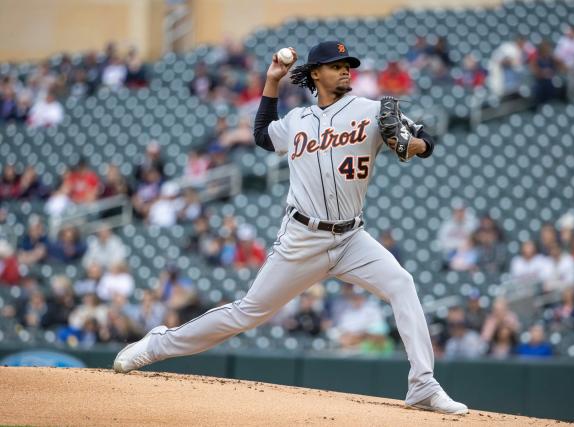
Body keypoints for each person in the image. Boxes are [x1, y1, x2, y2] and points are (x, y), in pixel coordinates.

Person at [113, 41, 467, 415]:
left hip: (351, 238)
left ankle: (423, 386)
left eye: (348, 64)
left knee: (402, 283)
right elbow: (263, 135)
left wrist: (414, 146)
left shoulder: (373, 110)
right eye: (336, 65)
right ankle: (157, 344)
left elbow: (427, 139)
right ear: (315, 73)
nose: (346, 70)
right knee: (247, 313)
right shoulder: (298, 119)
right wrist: (271, 82)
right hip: (302, 238)